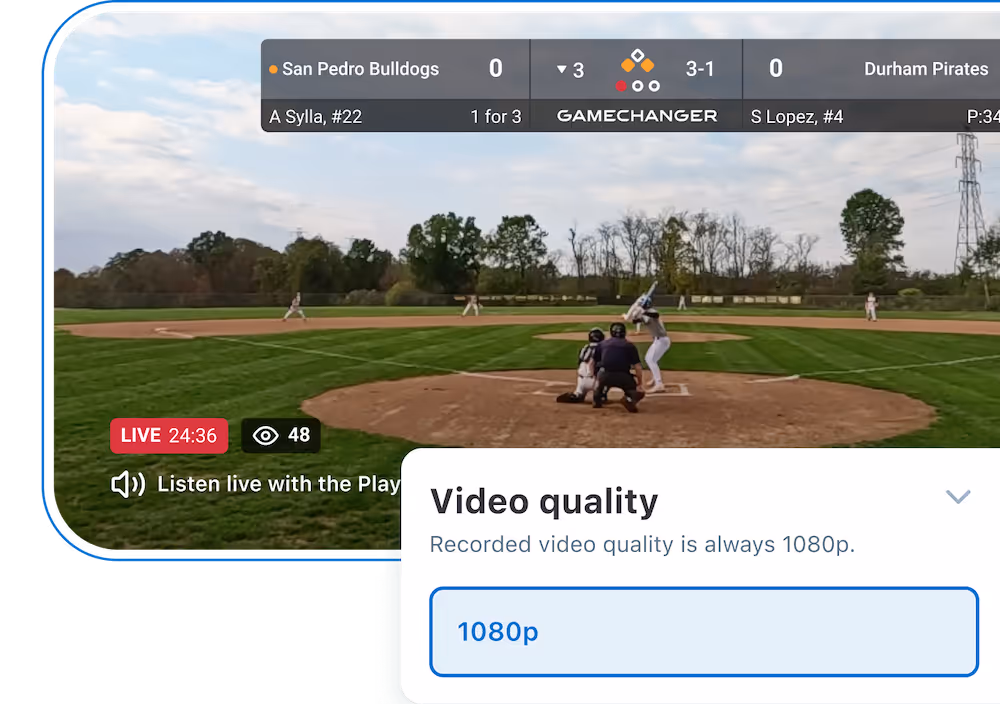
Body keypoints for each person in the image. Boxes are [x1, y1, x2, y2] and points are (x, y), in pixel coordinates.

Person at [591, 322, 645, 413]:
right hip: (623, 378)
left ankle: (597, 398)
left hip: (605, 376)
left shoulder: (602, 344)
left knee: (600, 384)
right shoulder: (629, 346)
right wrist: (640, 384)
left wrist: (595, 377)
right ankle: (629, 399)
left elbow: (593, 362)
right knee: (638, 392)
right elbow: (637, 367)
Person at [556, 328, 605, 404]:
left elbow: (579, 363)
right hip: (596, 381)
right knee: (609, 375)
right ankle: (601, 395)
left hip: (581, 380)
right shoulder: (604, 349)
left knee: (580, 393)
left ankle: (577, 394)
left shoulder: (584, 348)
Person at [633, 305, 671, 393]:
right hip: (658, 340)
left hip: (662, 340)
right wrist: (635, 314)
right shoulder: (645, 314)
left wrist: (643, 312)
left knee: (651, 360)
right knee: (649, 359)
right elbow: (635, 321)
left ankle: (659, 384)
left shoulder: (652, 312)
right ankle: (655, 379)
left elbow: (656, 315)